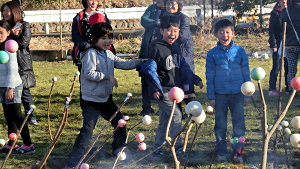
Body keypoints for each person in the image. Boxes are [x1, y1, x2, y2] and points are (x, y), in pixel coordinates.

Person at [64, 22, 146, 168]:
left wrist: (140, 61)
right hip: (90, 100)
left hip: (105, 99)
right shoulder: (90, 54)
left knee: (120, 122)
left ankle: (118, 150)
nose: (108, 41)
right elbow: (89, 73)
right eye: (103, 38)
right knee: (87, 131)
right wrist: (107, 77)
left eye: (110, 37)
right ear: (95, 39)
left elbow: (122, 64)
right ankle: (72, 162)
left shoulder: (108, 54)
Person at [141, 14, 203, 156]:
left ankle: (157, 148)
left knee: (164, 120)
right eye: (169, 30)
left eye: (175, 30)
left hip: (174, 90)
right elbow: (150, 69)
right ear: (161, 30)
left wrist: (194, 78)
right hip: (162, 90)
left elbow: (182, 67)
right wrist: (154, 88)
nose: (172, 34)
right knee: (176, 116)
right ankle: (179, 146)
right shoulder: (156, 47)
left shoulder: (176, 46)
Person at [206, 19, 250, 164]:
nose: (225, 35)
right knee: (220, 126)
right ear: (216, 35)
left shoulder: (240, 51)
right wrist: (211, 96)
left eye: (227, 32)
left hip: (238, 94)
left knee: (238, 125)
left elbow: (246, 73)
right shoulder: (212, 54)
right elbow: (209, 76)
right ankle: (221, 152)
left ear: (233, 33)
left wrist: (246, 93)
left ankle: (238, 152)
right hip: (220, 95)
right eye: (221, 32)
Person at [0, 20, 35, 155]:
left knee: (17, 115)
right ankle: (12, 144)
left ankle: (28, 145)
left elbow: (13, 70)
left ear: (8, 33)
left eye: (1, 32)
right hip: (2, 85)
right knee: (8, 116)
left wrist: (10, 88)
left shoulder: (10, 46)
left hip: (13, 85)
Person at [1, 1, 38, 125]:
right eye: (3, 10)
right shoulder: (3, 25)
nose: (5, 13)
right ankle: (14, 115)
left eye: (7, 10)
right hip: (7, 62)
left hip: (21, 62)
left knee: (25, 92)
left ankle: (31, 116)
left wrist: (12, 35)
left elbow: (23, 42)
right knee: (11, 90)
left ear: (15, 11)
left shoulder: (24, 25)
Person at [139, 0, 167, 116]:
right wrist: (157, 22)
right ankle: (146, 106)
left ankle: (163, 106)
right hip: (147, 47)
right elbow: (144, 21)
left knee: (162, 76)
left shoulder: (169, 9)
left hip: (162, 48)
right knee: (145, 76)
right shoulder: (151, 8)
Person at [268, 0, 288, 96]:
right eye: (282, 0)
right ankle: (272, 88)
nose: (284, 1)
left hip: (289, 42)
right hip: (278, 42)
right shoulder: (275, 13)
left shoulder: (292, 12)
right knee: (276, 66)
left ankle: (289, 88)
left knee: (289, 66)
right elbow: (271, 30)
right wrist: (273, 44)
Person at [281, 0, 300, 95]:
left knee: (291, 69)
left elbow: (282, 28)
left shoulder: (285, 11)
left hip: (289, 45)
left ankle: (291, 90)